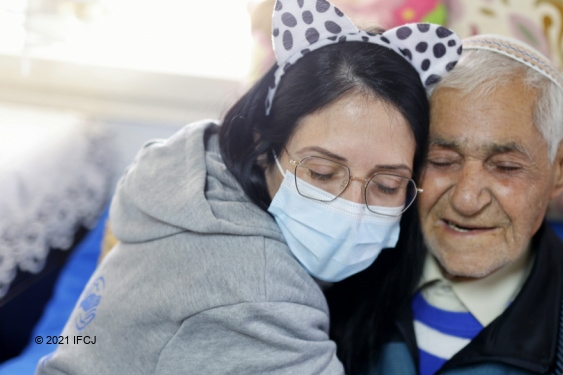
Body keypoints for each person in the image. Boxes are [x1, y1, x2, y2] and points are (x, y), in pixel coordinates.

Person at [34, 0, 462, 373]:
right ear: (264, 148)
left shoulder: (192, 172)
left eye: (387, 185)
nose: (352, 207)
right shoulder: (257, 297)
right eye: (322, 173)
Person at [326, 35, 563, 375]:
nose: (466, 199)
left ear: (561, 167)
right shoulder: (351, 264)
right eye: (442, 160)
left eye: (506, 167)